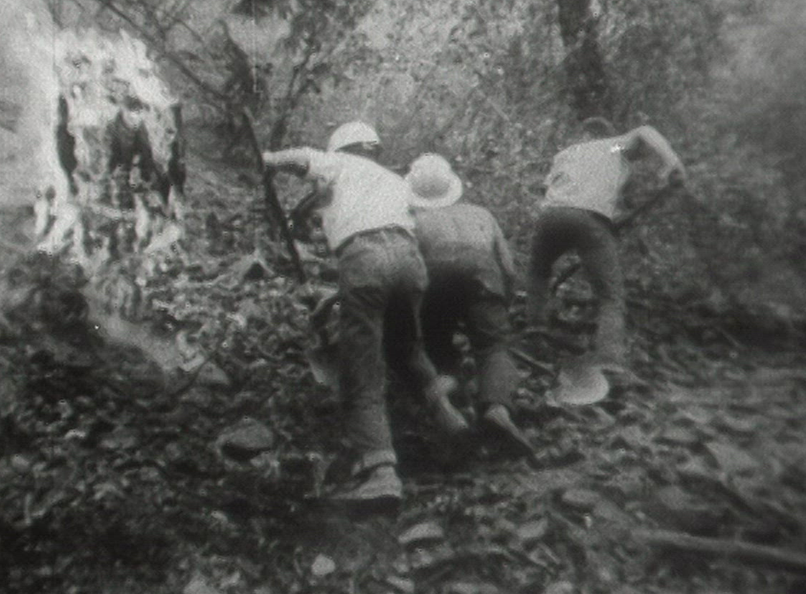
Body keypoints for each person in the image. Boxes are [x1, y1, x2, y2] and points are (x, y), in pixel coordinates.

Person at [263, 122, 466, 504]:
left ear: (343, 149)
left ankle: (380, 469)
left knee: (361, 365)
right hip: (409, 260)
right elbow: (389, 244)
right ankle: (444, 411)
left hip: (365, 259)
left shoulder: (340, 165)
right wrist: (340, 296)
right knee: (406, 347)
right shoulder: (392, 179)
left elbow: (304, 159)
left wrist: (269, 159)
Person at [528, 118, 686, 375]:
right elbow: (646, 132)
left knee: (538, 271)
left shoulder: (568, 153)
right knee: (610, 296)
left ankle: (535, 328)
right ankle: (609, 357)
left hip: (551, 216)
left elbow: (545, 189)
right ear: (605, 136)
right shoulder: (611, 148)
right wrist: (673, 164)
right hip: (588, 220)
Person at [404, 154, 534, 460]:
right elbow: (508, 266)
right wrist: (504, 301)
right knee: (493, 347)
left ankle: (448, 405)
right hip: (484, 275)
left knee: (437, 344)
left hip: (434, 278)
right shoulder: (481, 214)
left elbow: (407, 268)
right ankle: (497, 408)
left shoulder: (412, 219)